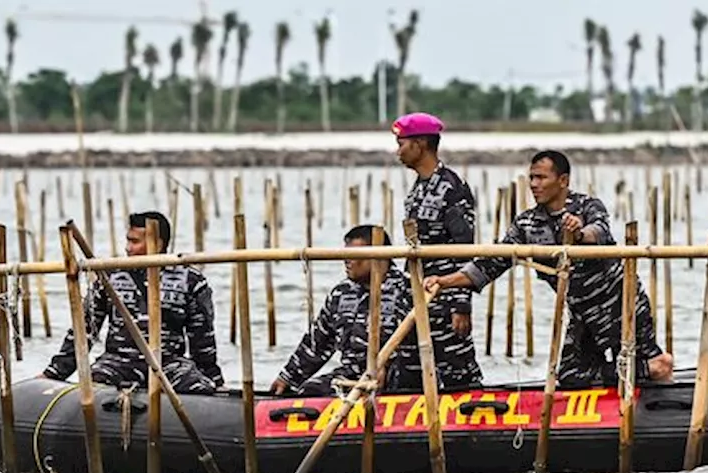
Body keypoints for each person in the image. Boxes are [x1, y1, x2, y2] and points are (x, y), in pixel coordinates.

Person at [423, 150, 674, 387]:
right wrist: (444, 281)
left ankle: (656, 371)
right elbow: (488, 265)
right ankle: (643, 371)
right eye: (532, 177)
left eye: (541, 177)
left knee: (637, 363)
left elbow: (599, 231)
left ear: (563, 180)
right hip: (582, 313)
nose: (534, 184)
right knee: (569, 376)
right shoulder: (527, 224)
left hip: (620, 303)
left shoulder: (587, 206)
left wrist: (578, 234)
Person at [40, 211, 224, 394]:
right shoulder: (110, 276)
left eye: (135, 242)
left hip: (169, 364)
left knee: (200, 389)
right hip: (117, 363)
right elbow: (84, 330)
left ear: (158, 243)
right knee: (93, 389)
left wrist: (214, 381)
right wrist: (54, 373)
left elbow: (202, 339)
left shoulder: (190, 280)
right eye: (128, 241)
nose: (128, 248)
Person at [270, 225, 419, 397]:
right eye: (345, 255)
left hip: (399, 377)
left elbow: (423, 344)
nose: (346, 261)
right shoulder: (341, 293)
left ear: (380, 257)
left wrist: (385, 367)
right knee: (310, 391)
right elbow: (317, 343)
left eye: (354, 256)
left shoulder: (407, 289)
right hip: (352, 375)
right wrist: (288, 377)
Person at [392, 111, 483, 391]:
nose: (398, 152)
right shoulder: (417, 190)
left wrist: (460, 304)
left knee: (458, 374)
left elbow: (463, 250)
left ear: (420, 144)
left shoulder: (452, 189)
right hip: (416, 297)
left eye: (402, 144)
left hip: (444, 299)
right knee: (409, 373)